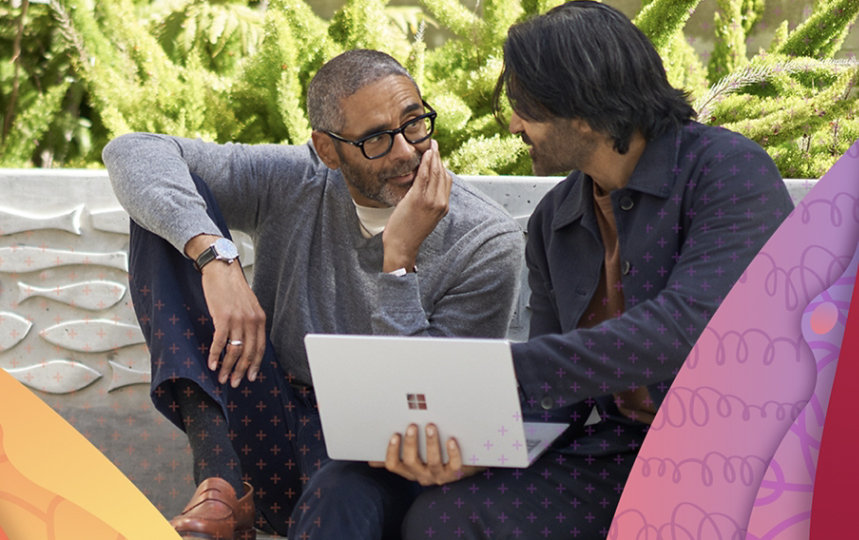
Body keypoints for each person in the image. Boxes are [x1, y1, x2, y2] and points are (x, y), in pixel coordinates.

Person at [393, 2, 796, 538]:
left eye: (523, 106)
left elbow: (682, 332)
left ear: (581, 108)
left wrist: (499, 372)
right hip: (619, 452)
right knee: (442, 519)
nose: (513, 123)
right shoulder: (554, 220)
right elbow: (556, 399)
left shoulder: (729, 173)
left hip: (742, 457)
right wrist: (480, 449)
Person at [102, 49, 524, 540]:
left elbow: (429, 413)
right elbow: (134, 151)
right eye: (376, 140)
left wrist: (399, 260)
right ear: (327, 150)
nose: (408, 150)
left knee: (343, 492)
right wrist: (216, 258)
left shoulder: (484, 239)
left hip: (378, 465)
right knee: (165, 219)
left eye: (414, 124)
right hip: (265, 430)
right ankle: (221, 487)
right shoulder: (298, 178)